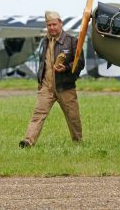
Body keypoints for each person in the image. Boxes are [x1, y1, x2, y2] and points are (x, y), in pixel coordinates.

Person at [19, 11, 85, 148]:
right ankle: (28, 142)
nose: (52, 27)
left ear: (60, 23)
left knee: (73, 117)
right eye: (49, 25)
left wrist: (66, 68)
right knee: (37, 115)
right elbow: (42, 63)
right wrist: (40, 82)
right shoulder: (44, 41)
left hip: (65, 86)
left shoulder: (72, 41)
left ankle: (78, 142)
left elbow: (80, 63)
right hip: (46, 87)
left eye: (54, 24)